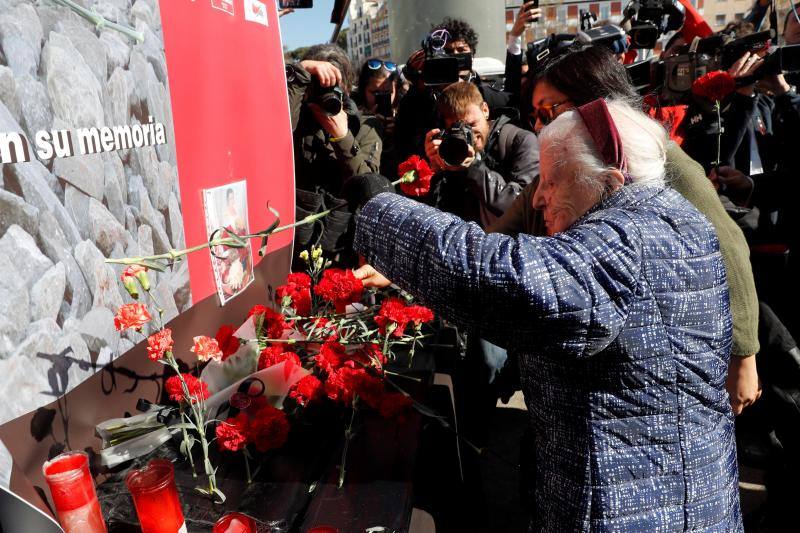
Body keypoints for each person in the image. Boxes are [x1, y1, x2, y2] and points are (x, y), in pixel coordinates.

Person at [354, 98, 742, 531]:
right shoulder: (675, 219)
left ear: (611, 181)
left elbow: (507, 280)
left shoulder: (629, 238)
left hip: (642, 513)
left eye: (552, 182)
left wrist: (380, 208)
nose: (537, 198)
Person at [509, 44, 762, 415]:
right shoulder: (570, 165)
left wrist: (744, 356)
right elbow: (506, 230)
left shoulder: (657, 157)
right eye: (535, 114)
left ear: (594, 99)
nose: (538, 125)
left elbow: (728, 244)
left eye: (549, 110)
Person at [286, 44, 387, 266]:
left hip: (340, 252)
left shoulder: (367, 126)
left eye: (334, 87)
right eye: (319, 85)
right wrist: (301, 72)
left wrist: (342, 136)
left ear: (347, 88)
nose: (326, 92)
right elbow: (274, 137)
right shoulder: (294, 118)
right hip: (292, 248)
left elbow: (370, 189)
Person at [394, 18, 512, 163]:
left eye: (461, 51)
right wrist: (417, 86)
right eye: (448, 52)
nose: (455, 56)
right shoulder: (423, 98)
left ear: (472, 55)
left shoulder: (486, 93)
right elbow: (402, 138)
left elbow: (515, 104)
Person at [424, 81, 539, 227]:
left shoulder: (520, 140)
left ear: (485, 110)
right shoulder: (452, 149)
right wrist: (437, 168)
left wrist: (473, 168)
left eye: (471, 125)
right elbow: (440, 216)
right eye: (459, 130)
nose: (469, 134)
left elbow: (523, 205)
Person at [352, 58, 401, 177]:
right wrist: (366, 126)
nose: (382, 97)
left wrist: (399, 130)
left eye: (388, 92)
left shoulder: (406, 112)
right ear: (363, 90)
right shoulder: (352, 116)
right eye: (375, 92)